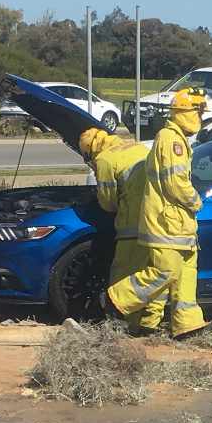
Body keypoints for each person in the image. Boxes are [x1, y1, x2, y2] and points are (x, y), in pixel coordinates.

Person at [106, 87, 212, 341]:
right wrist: (196, 201)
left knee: (186, 274)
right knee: (166, 271)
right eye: (199, 112)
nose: (201, 118)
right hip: (166, 221)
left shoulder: (177, 138)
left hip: (180, 223)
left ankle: (187, 325)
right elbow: (175, 183)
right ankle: (115, 301)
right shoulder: (171, 140)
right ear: (189, 112)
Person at [78, 127, 167, 336]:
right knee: (153, 271)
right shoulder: (136, 146)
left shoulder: (104, 160)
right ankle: (149, 323)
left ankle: (119, 320)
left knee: (123, 274)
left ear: (90, 152)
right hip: (159, 220)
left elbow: (108, 202)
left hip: (132, 225)